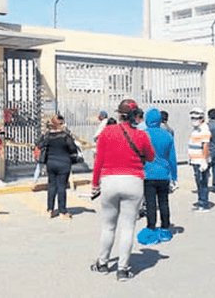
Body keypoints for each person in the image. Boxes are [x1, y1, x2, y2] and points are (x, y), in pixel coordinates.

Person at [90, 99, 155, 282]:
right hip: (133, 182)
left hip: (109, 181)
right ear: (135, 116)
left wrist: (95, 184)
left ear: (118, 114)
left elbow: (99, 161)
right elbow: (150, 156)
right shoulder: (141, 135)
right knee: (128, 227)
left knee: (108, 226)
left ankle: (102, 263)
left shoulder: (107, 132)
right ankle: (123, 270)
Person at [36, 116, 78, 218]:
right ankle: (63, 210)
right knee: (61, 186)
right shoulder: (65, 136)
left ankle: (50, 209)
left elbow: (39, 144)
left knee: (51, 185)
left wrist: (46, 132)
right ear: (60, 124)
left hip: (50, 163)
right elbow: (73, 149)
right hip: (64, 163)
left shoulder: (47, 136)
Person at [143, 108, 177, 230]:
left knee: (150, 204)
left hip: (148, 174)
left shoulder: (143, 134)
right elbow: (172, 158)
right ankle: (165, 228)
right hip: (164, 174)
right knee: (164, 203)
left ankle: (151, 228)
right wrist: (174, 177)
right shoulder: (167, 135)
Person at [189, 107, 212, 212]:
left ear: (201, 118)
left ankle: (204, 203)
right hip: (195, 160)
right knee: (198, 182)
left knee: (202, 182)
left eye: (196, 118)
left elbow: (205, 146)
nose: (194, 120)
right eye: (192, 118)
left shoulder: (204, 129)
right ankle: (200, 201)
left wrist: (204, 161)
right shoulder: (195, 129)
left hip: (200, 161)